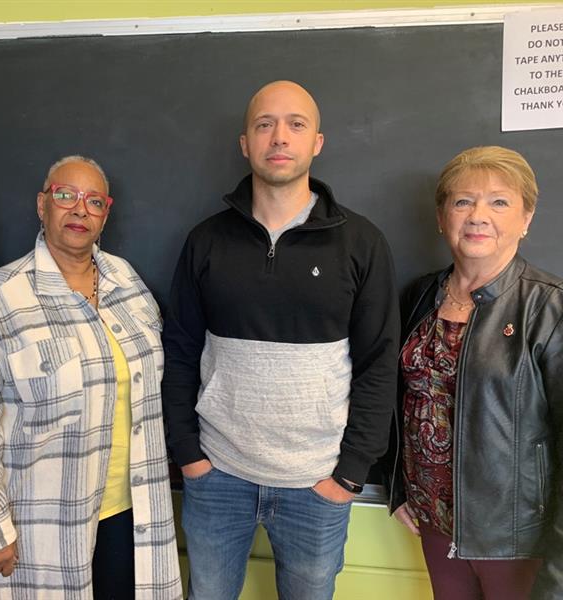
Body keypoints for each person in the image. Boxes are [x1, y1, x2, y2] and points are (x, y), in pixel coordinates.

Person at [161, 80, 399, 599]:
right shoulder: (206, 241)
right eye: (264, 124)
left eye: (296, 124)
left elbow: (379, 363)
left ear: (317, 142)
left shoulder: (361, 243)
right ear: (245, 142)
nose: (279, 137)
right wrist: (188, 455)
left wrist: (351, 473)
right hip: (217, 475)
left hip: (317, 484)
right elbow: (178, 351)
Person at [0, 155, 182, 599]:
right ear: (42, 205)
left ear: (105, 214)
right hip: (41, 527)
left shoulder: (126, 283)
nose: (79, 210)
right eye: (65, 196)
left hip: (132, 515)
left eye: (93, 201)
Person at [389, 146, 563, 600]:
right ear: (442, 216)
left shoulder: (550, 307)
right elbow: (394, 397)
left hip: (515, 540)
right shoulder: (419, 295)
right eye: (463, 201)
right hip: (433, 524)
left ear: (526, 218)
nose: (477, 215)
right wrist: (397, 487)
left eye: (499, 202)